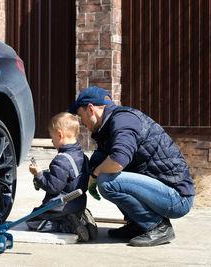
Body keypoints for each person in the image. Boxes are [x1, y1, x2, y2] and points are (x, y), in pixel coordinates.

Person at [68, 85, 196, 247]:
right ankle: (138, 224)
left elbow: (118, 161)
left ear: (91, 109)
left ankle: (157, 226)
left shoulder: (123, 120)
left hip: (177, 198)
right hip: (160, 191)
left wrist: (95, 175)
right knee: (98, 159)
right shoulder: (107, 126)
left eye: (80, 116)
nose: (82, 124)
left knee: (107, 181)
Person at [27, 112, 97, 242]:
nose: (52, 141)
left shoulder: (60, 160)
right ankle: (84, 219)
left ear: (60, 134)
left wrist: (39, 175)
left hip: (62, 204)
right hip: (79, 203)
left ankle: (66, 226)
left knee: (32, 220)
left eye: (52, 137)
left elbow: (53, 187)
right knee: (68, 213)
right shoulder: (83, 156)